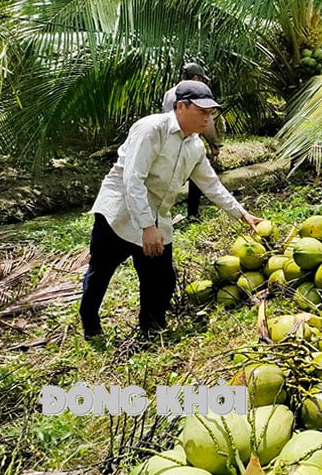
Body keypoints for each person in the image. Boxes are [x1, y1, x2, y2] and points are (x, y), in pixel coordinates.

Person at [80, 80, 262, 338]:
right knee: (101, 272)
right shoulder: (151, 129)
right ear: (181, 106)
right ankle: (90, 323)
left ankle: (151, 330)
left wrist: (242, 215)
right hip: (119, 212)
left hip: (156, 216)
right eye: (201, 112)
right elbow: (133, 180)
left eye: (210, 114)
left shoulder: (195, 145)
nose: (206, 119)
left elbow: (211, 185)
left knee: (162, 280)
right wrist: (146, 226)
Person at [162, 62, 223, 219]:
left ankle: (161, 211)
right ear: (196, 77)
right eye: (201, 79)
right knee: (196, 175)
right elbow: (207, 123)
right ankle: (193, 213)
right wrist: (214, 144)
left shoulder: (169, 93)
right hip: (188, 139)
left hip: (169, 139)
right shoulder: (197, 95)